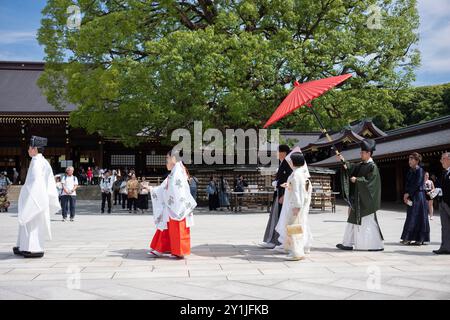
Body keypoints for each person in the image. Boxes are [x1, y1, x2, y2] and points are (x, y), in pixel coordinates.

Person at [13, 136, 60, 258]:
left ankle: (33, 248)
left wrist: (29, 197)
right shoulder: (42, 161)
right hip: (38, 195)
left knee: (31, 222)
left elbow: (36, 183)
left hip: (35, 197)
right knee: (29, 223)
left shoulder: (36, 162)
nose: (28, 150)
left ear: (34, 149)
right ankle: (23, 246)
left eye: (29, 147)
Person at [336, 139, 384, 251]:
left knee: (367, 221)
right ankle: (347, 243)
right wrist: (343, 161)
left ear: (369, 153)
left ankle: (373, 245)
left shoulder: (373, 167)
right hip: (359, 198)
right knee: (352, 220)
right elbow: (351, 168)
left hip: (366, 200)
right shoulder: (362, 165)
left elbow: (371, 183)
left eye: (362, 152)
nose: (360, 154)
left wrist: (357, 180)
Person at [149, 151, 196, 259]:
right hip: (173, 204)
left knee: (176, 228)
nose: (166, 161)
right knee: (166, 226)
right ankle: (163, 248)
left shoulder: (178, 171)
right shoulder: (176, 171)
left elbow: (175, 189)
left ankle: (178, 250)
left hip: (177, 205)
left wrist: (157, 192)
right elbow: (165, 186)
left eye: (168, 158)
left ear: (174, 158)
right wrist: (152, 190)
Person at [275, 152, 313, 261]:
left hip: (295, 205)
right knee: (294, 228)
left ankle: (296, 252)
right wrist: (289, 185)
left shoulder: (297, 174)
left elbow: (298, 191)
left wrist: (297, 206)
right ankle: (294, 250)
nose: (290, 162)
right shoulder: (300, 173)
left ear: (294, 162)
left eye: (291, 160)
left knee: (294, 228)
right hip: (297, 204)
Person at [259, 144, 292, 249]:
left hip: (283, 194)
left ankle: (277, 241)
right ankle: (272, 240)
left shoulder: (287, 163)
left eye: (278, 151)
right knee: (275, 216)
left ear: (283, 152)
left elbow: (288, 180)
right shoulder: (282, 163)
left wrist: (282, 193)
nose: (277, 154)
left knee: (279, 217)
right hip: (279, 192)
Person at [400, 153, 430, 245]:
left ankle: (419, 238)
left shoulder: (420, 170)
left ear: (417, 161)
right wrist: (406, 194)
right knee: (410, 216)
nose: (409, 161)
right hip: (411, 196)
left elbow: (417, 183)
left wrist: (408, 193)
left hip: (419, 196)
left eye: (412, 159)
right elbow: (407, 184)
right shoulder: (409, 171)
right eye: (409, 159)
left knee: (418, 216)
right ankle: (408, 237)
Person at [433, 152, 450, 254]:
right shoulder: (444, 172)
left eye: (442, 159)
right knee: (445, 226)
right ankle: (445, 247)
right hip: (443, 202)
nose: (441, 161)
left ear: (449, 159)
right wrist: (437, 190)